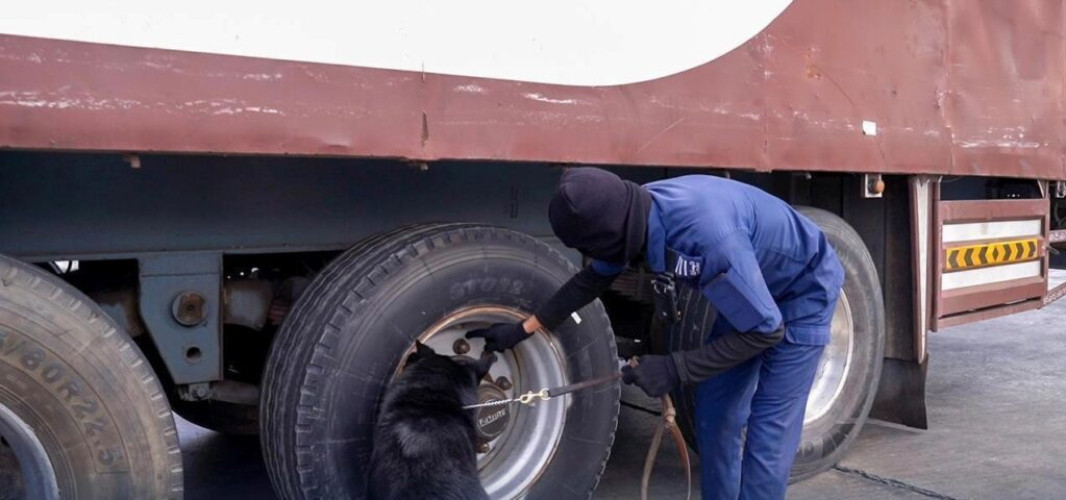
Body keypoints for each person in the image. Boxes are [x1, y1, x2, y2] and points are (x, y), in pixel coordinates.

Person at [466, 167, 845, 500]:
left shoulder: (707, 239)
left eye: (587, 247)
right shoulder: (629, 213)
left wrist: (673, 368)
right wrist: (524, 328)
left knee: (767, 433)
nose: (591, 255)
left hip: (801, 292)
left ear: (611, 234)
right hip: (752, 296)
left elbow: (766, 331)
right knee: (716, 414)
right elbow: (591, 280)